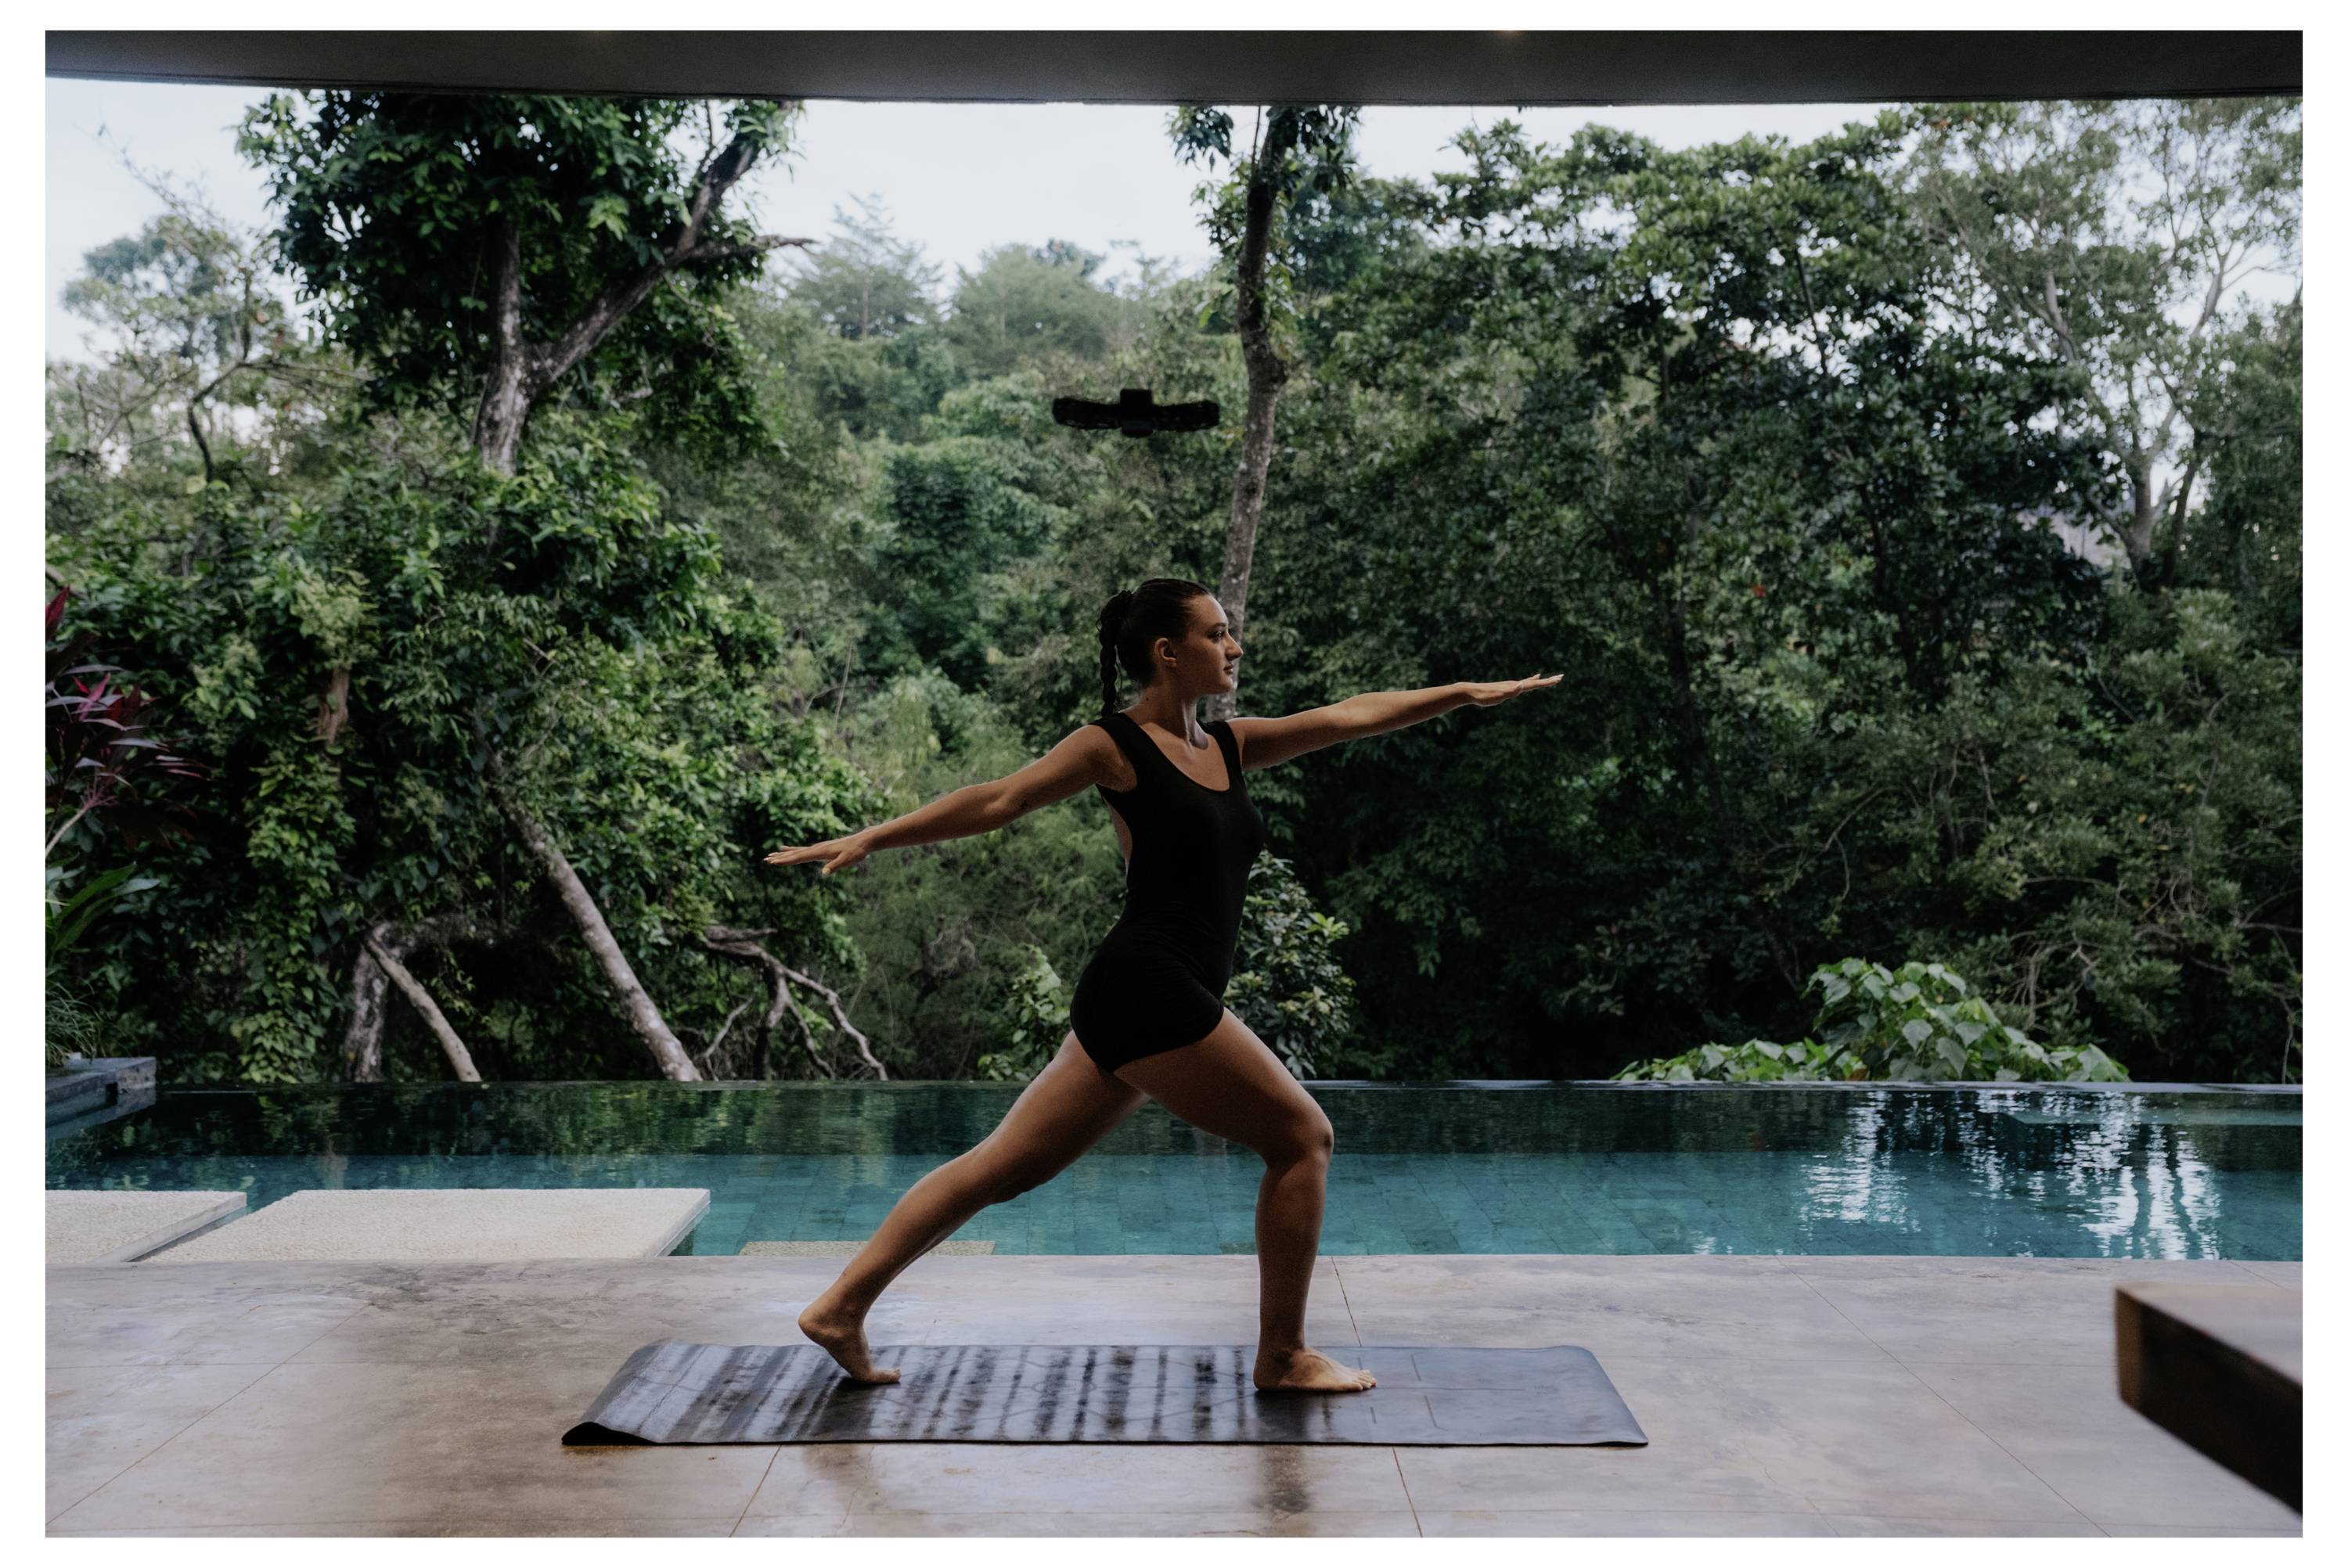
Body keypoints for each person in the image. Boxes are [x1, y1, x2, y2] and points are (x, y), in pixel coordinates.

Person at [766, 577, 1560, 1392]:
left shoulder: (1230, 745)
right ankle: (1282, 1356)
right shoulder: (1113, 746)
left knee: (1002, 1167)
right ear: (1167, 652)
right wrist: (874, 837)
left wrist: (1460, 694)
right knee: (1302, 1139)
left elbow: (1349, 715)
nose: (1234, 647)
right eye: (1219, 634)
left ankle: (839, 1308)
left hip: (1143, 994)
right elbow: (1001, 798)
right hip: (1148, 987)